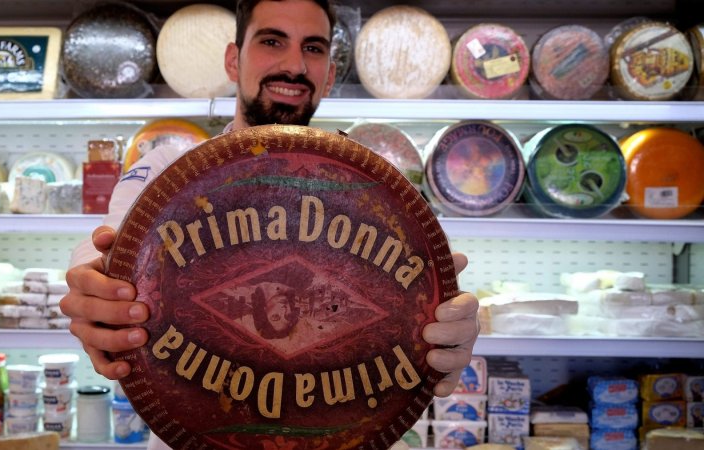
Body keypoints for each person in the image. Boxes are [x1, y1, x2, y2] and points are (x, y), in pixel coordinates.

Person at [60, 0, 480, 448]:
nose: (294, 65)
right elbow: (104, 252)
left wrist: (449, 334)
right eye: (272, 41)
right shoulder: (166, 171)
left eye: (314, 48)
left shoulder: (376, 188)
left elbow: (427, 307)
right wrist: (98, 297)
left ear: (330, 74)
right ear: (232, 59)